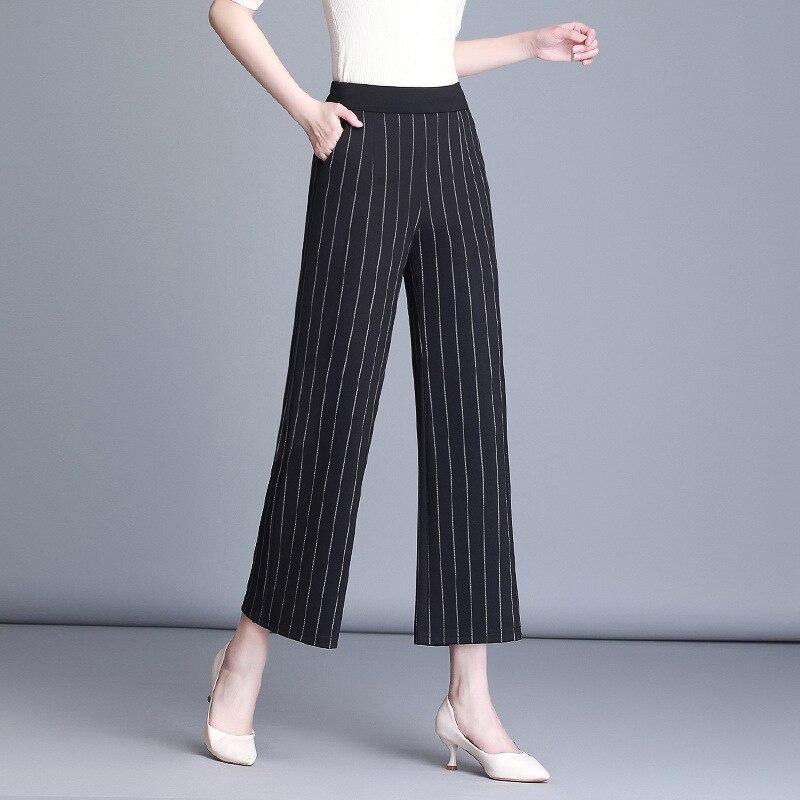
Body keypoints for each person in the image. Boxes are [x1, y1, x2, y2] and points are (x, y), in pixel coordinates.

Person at [205, 0, 598, 782]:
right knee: (330, 405)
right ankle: (243, 657)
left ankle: (469, 697)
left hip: (452, 145)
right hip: (361, 146)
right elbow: (228, 10)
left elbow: (425, 49)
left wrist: (530, 43)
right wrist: (304, 109)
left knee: (470, 410)